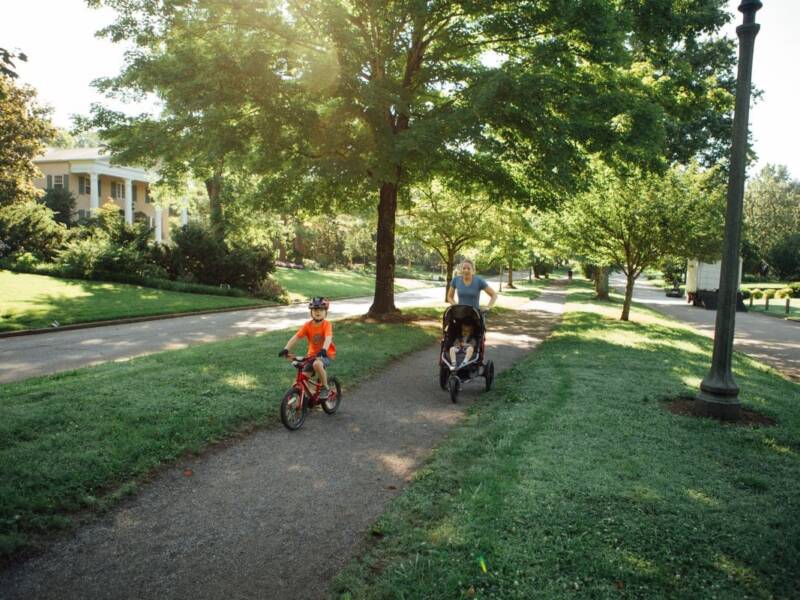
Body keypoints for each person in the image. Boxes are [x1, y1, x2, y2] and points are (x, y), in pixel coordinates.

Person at [279, 296, 336, 399]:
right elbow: (296, 337)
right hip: (312, 355)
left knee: (317, 364)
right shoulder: (307, 325)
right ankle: (305, 399)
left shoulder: (326, 324)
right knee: (300, 380)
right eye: (315, 309)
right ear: (311, 312)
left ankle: (325, 387)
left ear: (325, 312)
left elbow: (328, 338)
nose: (318, 312)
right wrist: (286, 349)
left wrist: (323, 350)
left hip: (326, 355)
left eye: (321, 309)